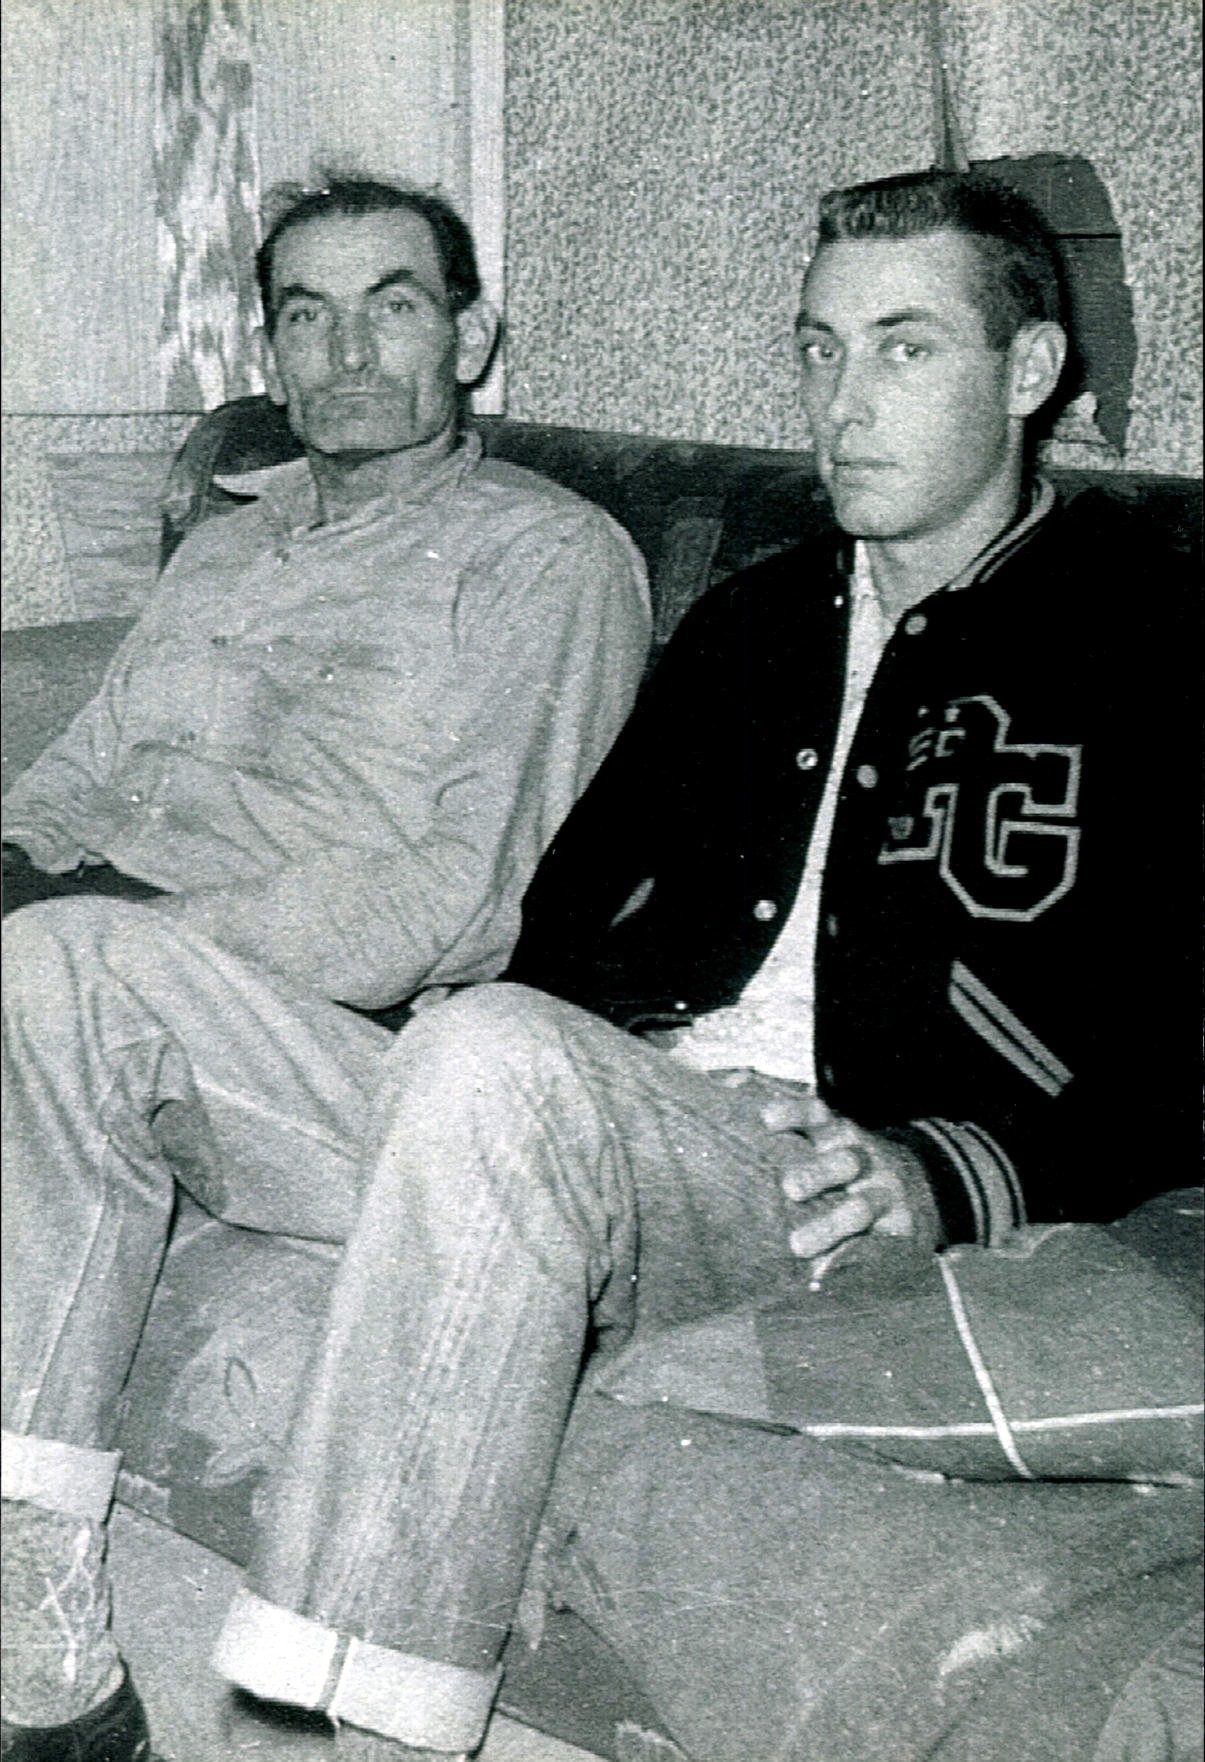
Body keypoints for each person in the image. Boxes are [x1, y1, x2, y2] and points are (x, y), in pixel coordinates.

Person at [197, 167, 1188, 1758]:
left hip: (839, 1181)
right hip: (633, 1123)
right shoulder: (753, 621)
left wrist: (947, 1168)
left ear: (1027, 371)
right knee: (162, 985)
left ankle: (329, 1727)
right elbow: (564, 918)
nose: (841, 404)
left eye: (903, 349)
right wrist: (607, 1060)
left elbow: (1173, 1042)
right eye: (815, 349)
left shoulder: (1148, 632)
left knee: (488, 1059)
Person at [0, 175, 649, 1760]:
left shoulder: (545, 557)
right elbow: (74, 781)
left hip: (349, 1056)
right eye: (307, 314)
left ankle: (40, 1654)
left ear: (469, 336)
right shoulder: (225, 545)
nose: (347, 350)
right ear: (272, 352)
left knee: (66, 963)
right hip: (107, 956)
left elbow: (459, 895)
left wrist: (121, 927)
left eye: (392, 305)